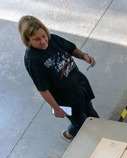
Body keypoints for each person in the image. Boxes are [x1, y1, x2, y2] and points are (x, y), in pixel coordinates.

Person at [19, 15, 99, 143]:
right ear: (27, 40)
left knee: (91, 112)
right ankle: (69, 134)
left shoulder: (53, 40)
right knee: (81, 123)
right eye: (37, 39)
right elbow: (43, 89)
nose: (43, 41)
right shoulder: (33, 60)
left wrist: (84, 56)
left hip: (80, 86)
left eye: (44, 36)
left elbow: (71, 49)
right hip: (67, 99)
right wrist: (56, 108)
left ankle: (97, 130)